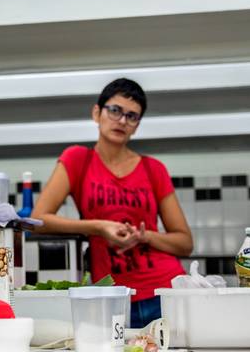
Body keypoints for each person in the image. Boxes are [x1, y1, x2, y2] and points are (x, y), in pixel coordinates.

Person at [32, 78, 193, 328]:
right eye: (115, 110)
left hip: (164, 290)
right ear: (97, 113)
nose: (122, 121)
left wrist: (144, 236)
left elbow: (185, 243)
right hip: (111, 295)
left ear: (137, 126)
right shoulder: (77, 160)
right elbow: (38, 220)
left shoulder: (153, 169)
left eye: (132, 116)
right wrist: (98, 227)